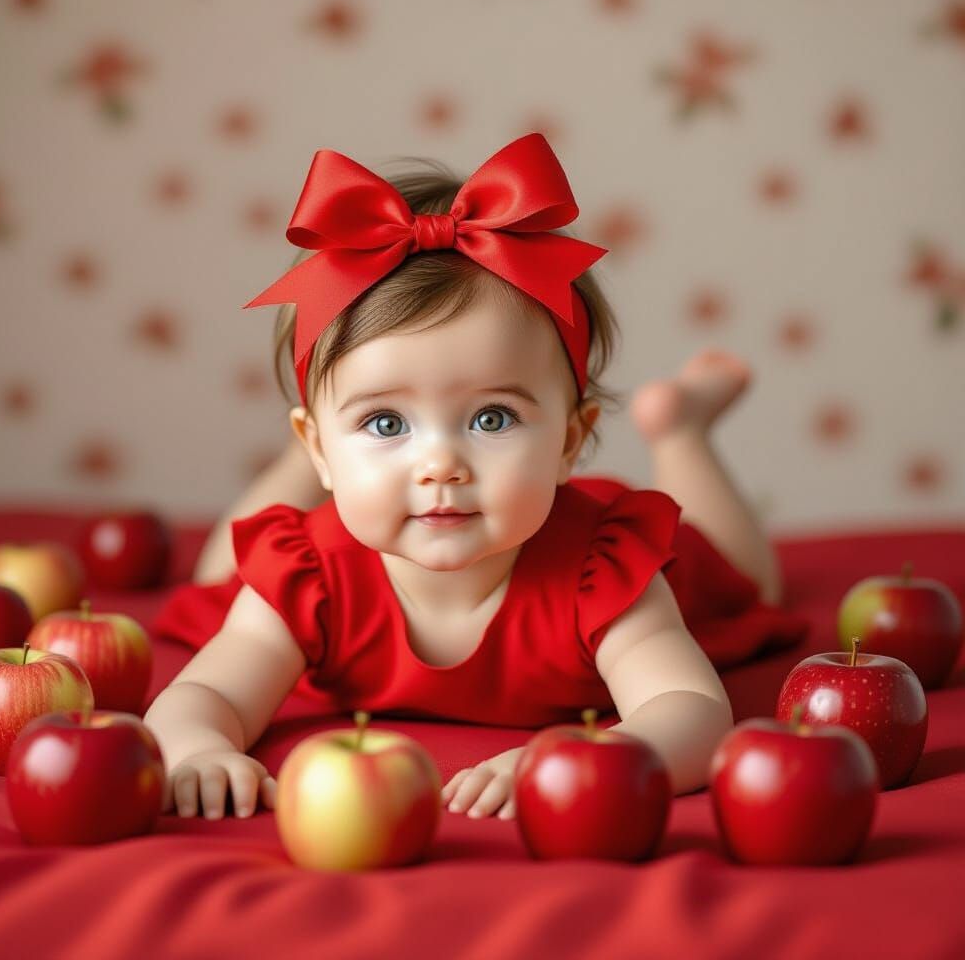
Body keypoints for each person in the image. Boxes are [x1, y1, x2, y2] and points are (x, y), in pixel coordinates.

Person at [143, 133, 806, 825]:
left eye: (492, 418)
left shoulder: (602, 571)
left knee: (751, 576)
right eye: (388, 423)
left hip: (662, 569)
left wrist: (575, 759)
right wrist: (197, 749)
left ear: (569, 441)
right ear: (318, 445)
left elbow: (691, 710)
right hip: (323, 492)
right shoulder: (311, 573)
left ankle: (680, 431)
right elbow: (207, 695)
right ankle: (312, 458)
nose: (440, 466)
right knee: (225, 572)